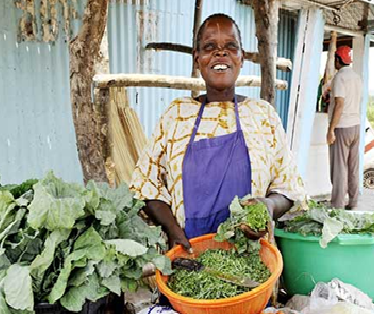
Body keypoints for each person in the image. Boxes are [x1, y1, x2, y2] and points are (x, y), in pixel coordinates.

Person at [130, 13, 306, 249]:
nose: (220, 53)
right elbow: (146, 187)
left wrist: (269, 206)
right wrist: (172, 229)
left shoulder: (262, 116)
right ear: (197, 58)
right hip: (187, 255)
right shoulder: (177, 115)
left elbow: (289, 189)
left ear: (241, 58)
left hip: (253, 259)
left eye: (230, 47)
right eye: (209, 46)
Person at [326, 45, 363, 210]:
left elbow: (339, 104)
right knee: (353, 167)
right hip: (355, 126)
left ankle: (337, 206)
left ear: (338, 60)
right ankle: (353, 202)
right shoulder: (356, 77)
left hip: (342, 127)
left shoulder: (339, 77)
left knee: (339, 168)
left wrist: (331, 130)